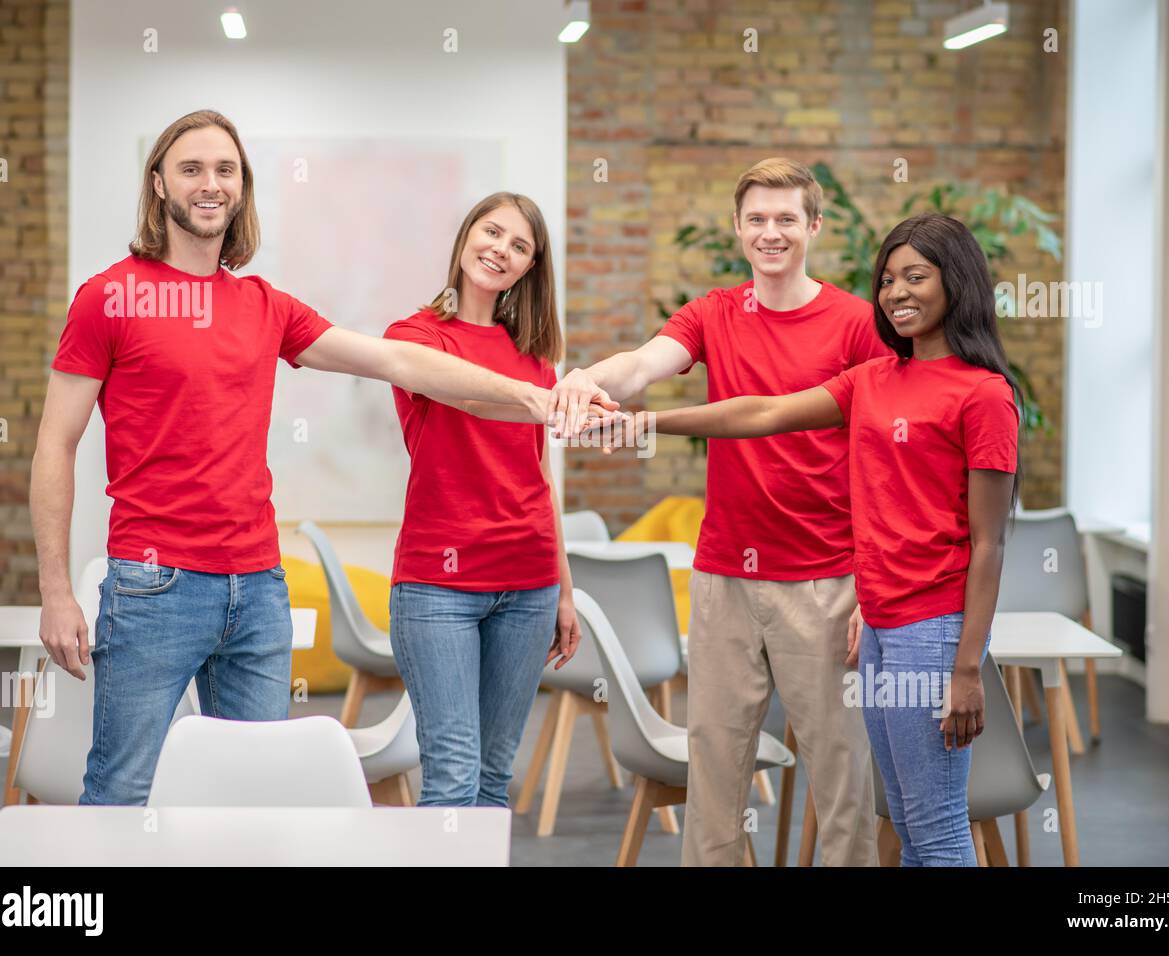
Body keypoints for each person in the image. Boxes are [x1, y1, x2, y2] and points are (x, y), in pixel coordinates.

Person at [30, 110, 573, 807]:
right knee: (121, 791)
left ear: (242, 188)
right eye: (192, 168)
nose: (210, 184)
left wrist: (536, 400)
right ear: (158, 182)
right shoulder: (109, 297)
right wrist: (54, 589)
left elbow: (398, 361)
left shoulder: (265, 305)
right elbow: (55, 444)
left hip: (258, 588)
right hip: (153, 586)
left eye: (225, 170)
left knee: (258, 801)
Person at [585, 212, 1020, 866]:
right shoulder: (874, 381)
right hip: (877, 626)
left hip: (930, 634)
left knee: (934, 827)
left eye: (917, 277)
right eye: (888, 279)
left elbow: (990, 544)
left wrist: (966, 669)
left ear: (956, 283)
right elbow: (761, 412)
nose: (898, 292)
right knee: (902, 815)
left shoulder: (984, 396)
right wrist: (645, 423)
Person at [553, 157, 890, 866]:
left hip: (826, 581)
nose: (772, 233)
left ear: (814, 228)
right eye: (758, 220)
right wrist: (586, 378)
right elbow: (643, 364)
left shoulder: (858, 324)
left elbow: (885, 463)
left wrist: (871, 579)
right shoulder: (713, 313)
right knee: (715, 773)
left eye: (787, 220)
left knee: (843, 776)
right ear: (739, 229)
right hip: (725, 579)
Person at [381, 192, 588, 807]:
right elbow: (465, 396)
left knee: (494, 781)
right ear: (466, 235)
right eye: (492, 232)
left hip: (528, 585)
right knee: (451, 779)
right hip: (436, 588)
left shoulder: (535, 358)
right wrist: (528, 396)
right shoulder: (414, 337)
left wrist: (564, 588)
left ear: (530, 267)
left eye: (519, 245)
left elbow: (539, 477)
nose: (501, 249)